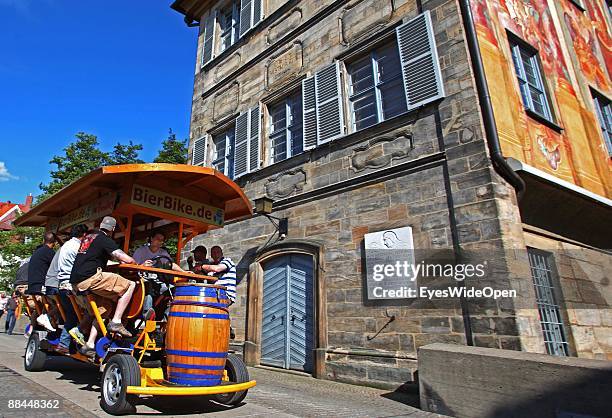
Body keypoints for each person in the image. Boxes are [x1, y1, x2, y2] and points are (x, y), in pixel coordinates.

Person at [70, 216, 137, 357]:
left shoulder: (89, 237)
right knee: (130, 285)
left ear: (100, 225)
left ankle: (89, 344)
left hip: (75, 281)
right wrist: (132, 261)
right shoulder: (104, 239)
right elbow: (124, 257)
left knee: (104, 308)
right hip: (89, 278)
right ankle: (117, 322)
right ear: (112, 229)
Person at [46, 224, 88, 352]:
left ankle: (65, 344)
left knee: (71, 314)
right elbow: (84, 264)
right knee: (91, 310)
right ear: (84, 235)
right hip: (71, 285)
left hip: (62, 284)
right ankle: (80, 335)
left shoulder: (65, 246)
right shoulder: (77, 247)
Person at [133, 231, 186, 315]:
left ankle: (167, 316)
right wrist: (142, 266)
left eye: (162, 240)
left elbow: (171, 264)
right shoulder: (140, 251)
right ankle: (147, 314)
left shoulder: (163, 252)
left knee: (172, 289)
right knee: (148, 285)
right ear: (151, 239)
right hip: (141, 280)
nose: (160, 242)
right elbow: (133, 266)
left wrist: (184, 272)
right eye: (158, 239)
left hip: (157, 281)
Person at [26, 232, 57, 331]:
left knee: (47, 302)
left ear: (44, 241)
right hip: (41, 286)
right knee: (64, 303)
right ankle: (47, 318)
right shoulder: (50, 253)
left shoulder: (37, 252)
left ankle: (43, 321)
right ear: (55, 243)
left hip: (33, 285)